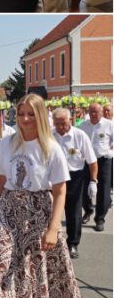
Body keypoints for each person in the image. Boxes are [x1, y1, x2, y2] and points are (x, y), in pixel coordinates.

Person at [0, 94, 80, 298]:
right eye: (21, 114)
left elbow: (60, 191)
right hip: (8, 209)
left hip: (39, 211)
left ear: (41, 116)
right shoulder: (6, 143)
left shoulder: (51, 148)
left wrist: (53, 228)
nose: (25, 119)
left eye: (31, 114)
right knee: (0, 262)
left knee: (35, 264)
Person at [51, 107, 98, 259]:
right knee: (51, 211)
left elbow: (92, 161)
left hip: (75, 177)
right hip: (54, 177)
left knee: (74, 212)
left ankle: (73, 243)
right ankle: (51, 241)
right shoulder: (50, 135)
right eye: (57, 123)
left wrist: (93, 181)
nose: (60, 127)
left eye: (63, 123)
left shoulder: (80, 135)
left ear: (70, 120)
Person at [80, 102, 113, 231]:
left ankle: (100, 218)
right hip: (87, 161)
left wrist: (110, 153)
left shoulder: (109, 125)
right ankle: (88, 210)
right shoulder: (83, 125)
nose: (93, 114)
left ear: (101, 112)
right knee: (84, 188)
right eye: (91, 111)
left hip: (103, 160)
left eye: (96, 111)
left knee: (103, 190)